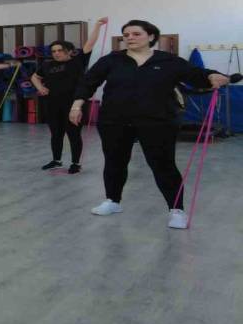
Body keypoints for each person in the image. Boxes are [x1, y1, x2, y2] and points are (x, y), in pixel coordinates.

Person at [72, 20, 230, 229]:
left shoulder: (169, 61)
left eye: (136, 34)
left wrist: (212, 75)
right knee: (114, 162)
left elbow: (196, 75)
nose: (130, 38)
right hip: (114, 120)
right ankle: (112, 200)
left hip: (157, 121)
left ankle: (176, 210)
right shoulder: (111, 60)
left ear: (151, 36)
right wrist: (77, 105)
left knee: (163, 165)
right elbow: (88, 82)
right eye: (126, 35)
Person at [31, 18, 108, 174]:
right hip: (52, 104)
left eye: (59, 50)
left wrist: (98, 26)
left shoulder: (78, 61)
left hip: (73, 105)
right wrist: (40, 87)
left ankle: (75, 163)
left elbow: (90, 43)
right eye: (53, 51)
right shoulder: (47, 65)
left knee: (73, 134)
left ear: (69, 51)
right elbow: (34, 77)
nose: (56, 53)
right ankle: (56, 161)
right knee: (56, 134)